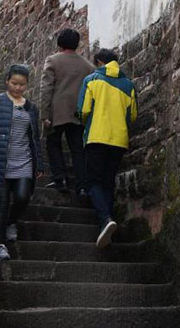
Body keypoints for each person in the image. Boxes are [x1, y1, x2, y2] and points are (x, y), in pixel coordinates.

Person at [0, 64, 44, 261]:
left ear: (27, 84)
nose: (18, 87)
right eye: (14, 83)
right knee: (2, 202)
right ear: (7, 81)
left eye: (22, 84)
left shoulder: (31, 108)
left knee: (22, 197)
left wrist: (40, 163)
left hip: (24, 161)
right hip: (1, 160)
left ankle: (11, 221)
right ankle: (1, 245)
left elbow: (35, 138)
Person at [78, 48, 137, 248]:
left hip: (96, 136)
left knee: (92, 181)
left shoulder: (91, 80)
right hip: (119, 140)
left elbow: (83, 110)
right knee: (108, 182)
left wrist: (88, 122)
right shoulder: (129, 85)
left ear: (99, 62)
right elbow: (133, 115)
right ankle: (108, 225)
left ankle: (105, 219)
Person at [40, 28, 94, 202]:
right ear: (77, 44)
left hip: (57, 111)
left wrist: (44, 114)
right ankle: (82, 186)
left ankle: (60, 179)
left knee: (53, 144)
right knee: (78, 149)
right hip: (78, 113)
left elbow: (46, 88)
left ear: (60, 43)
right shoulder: (88, 66)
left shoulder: (53, 60)